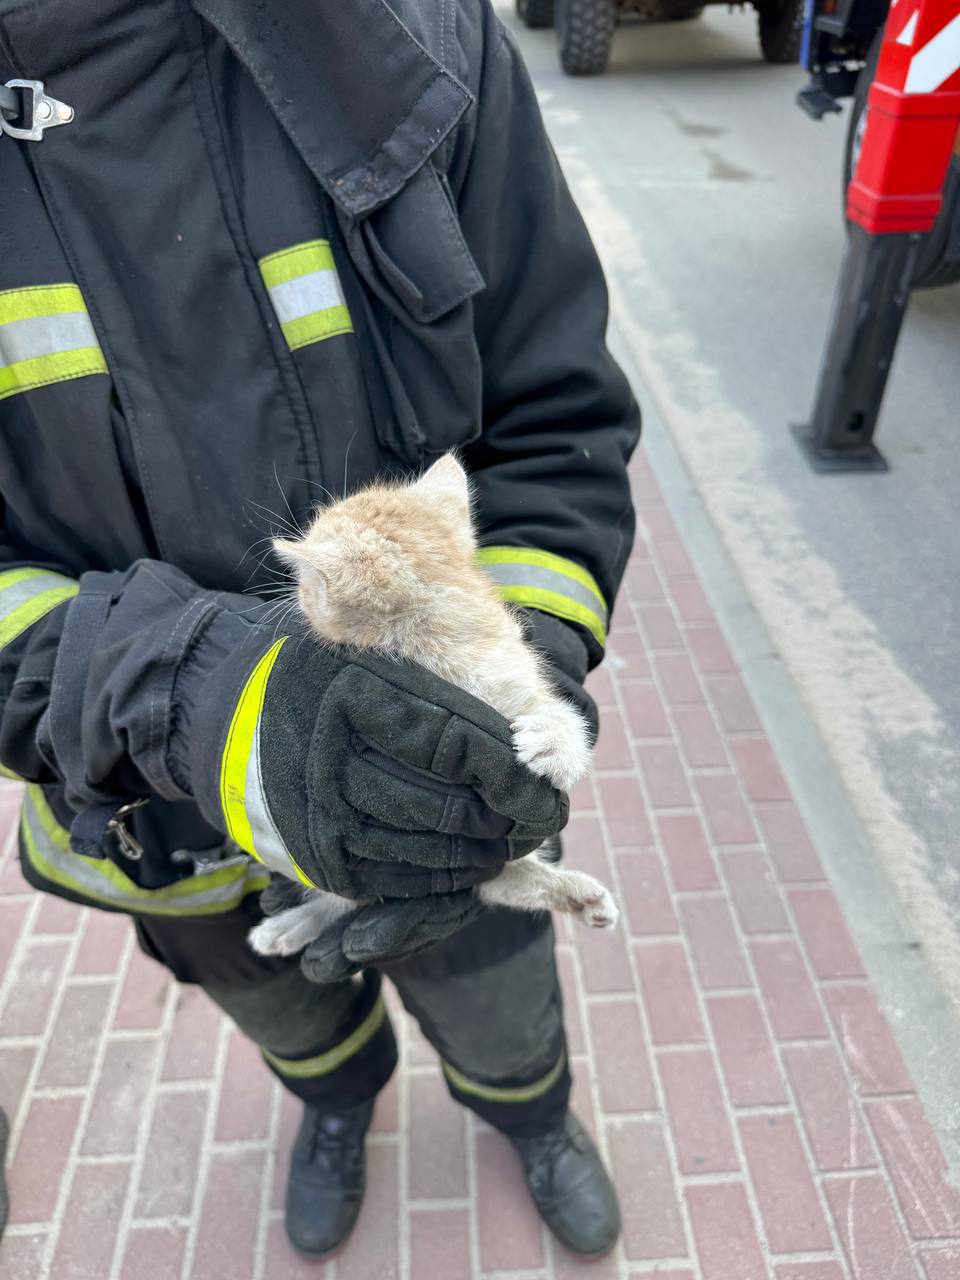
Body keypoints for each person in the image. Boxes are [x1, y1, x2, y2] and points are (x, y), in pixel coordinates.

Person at [0, 0, 640, 1261]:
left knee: (498, 990)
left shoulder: (412, 37)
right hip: (159, 811)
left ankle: (535, 1113)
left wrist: (513, 686)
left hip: (433, 784)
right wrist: (190, 698)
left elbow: (552, 416)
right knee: (281, 1004)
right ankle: (340, 1104)